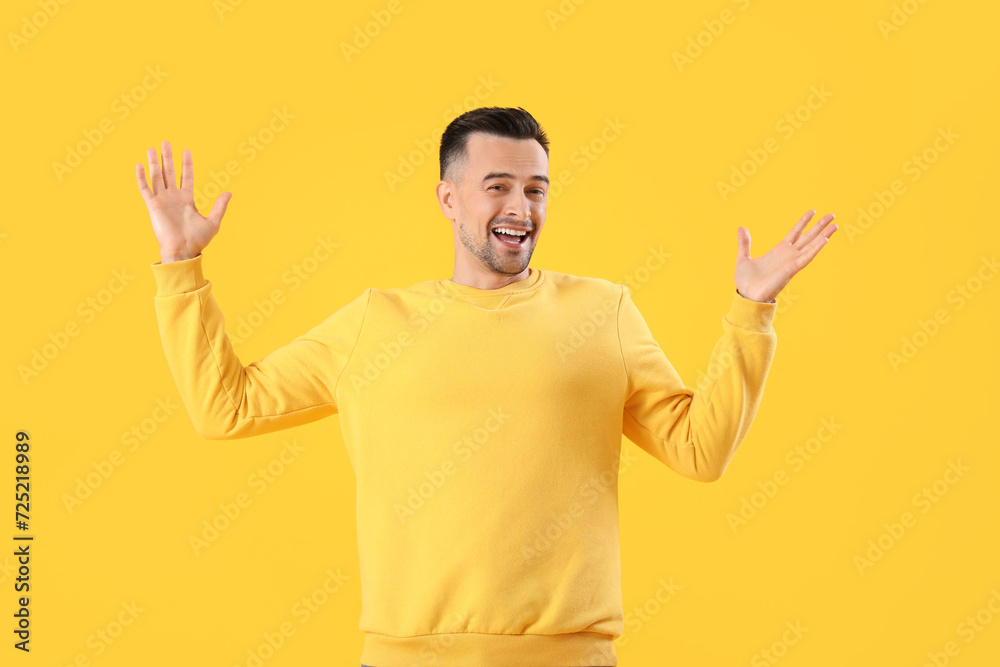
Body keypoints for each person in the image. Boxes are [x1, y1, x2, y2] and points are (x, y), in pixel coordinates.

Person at [136, 106, 837, 667]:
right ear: (448, 197)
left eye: (536, 189)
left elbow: (699, 450)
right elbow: (224, 407)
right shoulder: (374, 323)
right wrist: (180, 263)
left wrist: (752, 309)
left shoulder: (602, 311)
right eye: (497, 185)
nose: (521, 206)